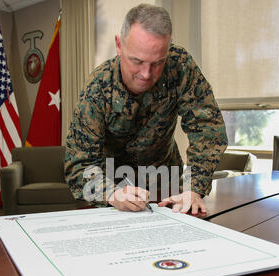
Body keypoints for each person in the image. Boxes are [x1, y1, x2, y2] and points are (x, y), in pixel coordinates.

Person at [65, 3, 227, 214]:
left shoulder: (180, 66)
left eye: (157, 63)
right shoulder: (97, 87)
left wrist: (194, 187)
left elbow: (208, 129)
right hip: (112, 184)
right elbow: (78, 163)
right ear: (119, 45)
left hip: (165, 179)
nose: (146, 74)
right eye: (137, 61)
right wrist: (111, 193)